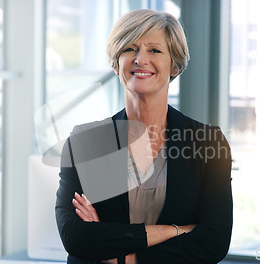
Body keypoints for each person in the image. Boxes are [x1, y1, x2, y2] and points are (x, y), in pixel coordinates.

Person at [55, 9, 232, 264]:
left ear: (174, 64)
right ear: (117, 63)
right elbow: (76, 237)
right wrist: (176, 230)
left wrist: (122, 257)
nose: (140, 59)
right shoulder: (84, 143)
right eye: (130, 49)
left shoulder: (208, 143)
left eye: (155, 50)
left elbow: (213, 242)